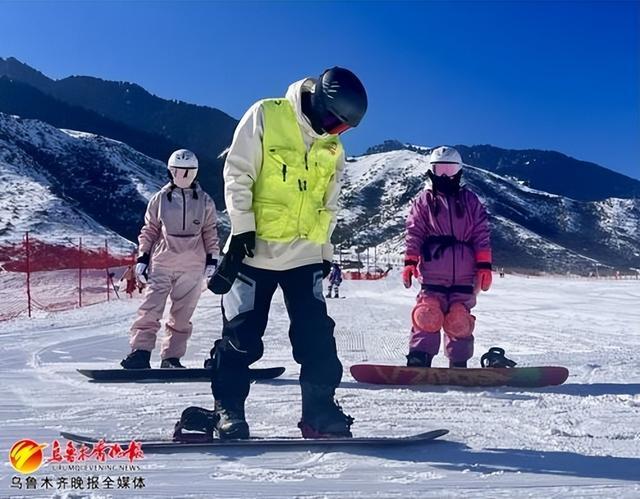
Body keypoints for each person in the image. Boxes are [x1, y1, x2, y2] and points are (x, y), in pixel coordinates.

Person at [208, 67, 367, 439]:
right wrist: (243, 225)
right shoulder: (266, 114)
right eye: (332, 121)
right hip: (254, 251)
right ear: (317, 102)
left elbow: (330, 201)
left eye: (342, 129)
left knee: (317, 339)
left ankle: (320, 412)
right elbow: (238, 172)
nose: (333, 131)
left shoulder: (332, 147)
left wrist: (325, 249)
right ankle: (228, 410)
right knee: (241, 337)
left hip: (305, 255)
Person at [121, 149, 219, 369]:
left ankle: (171, 358)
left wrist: (212, 260)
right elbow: (150, 230)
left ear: (195, 173)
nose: (183, 176)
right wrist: (143, 257)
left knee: (182, 314)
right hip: (162, 263)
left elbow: (210, 232)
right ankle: (140, 353)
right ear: (170, 172)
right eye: (178, 171)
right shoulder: (160, 200)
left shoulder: (204, 201)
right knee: (150, 308)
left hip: (193, 266)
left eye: (188, 172)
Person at [402, 146, 491, 368]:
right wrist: (410, 262)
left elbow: (481, 234)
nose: (444, 175)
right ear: (431, 171)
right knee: (427, 314)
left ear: (458, 172)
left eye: (449, 170)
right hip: (433, 274)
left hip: (463, 276)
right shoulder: (424, 201)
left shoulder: (470, 201)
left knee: (459, 320)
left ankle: (458, 361)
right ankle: (419, 357)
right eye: (439, 169)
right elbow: (414, 232)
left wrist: (484, 267)